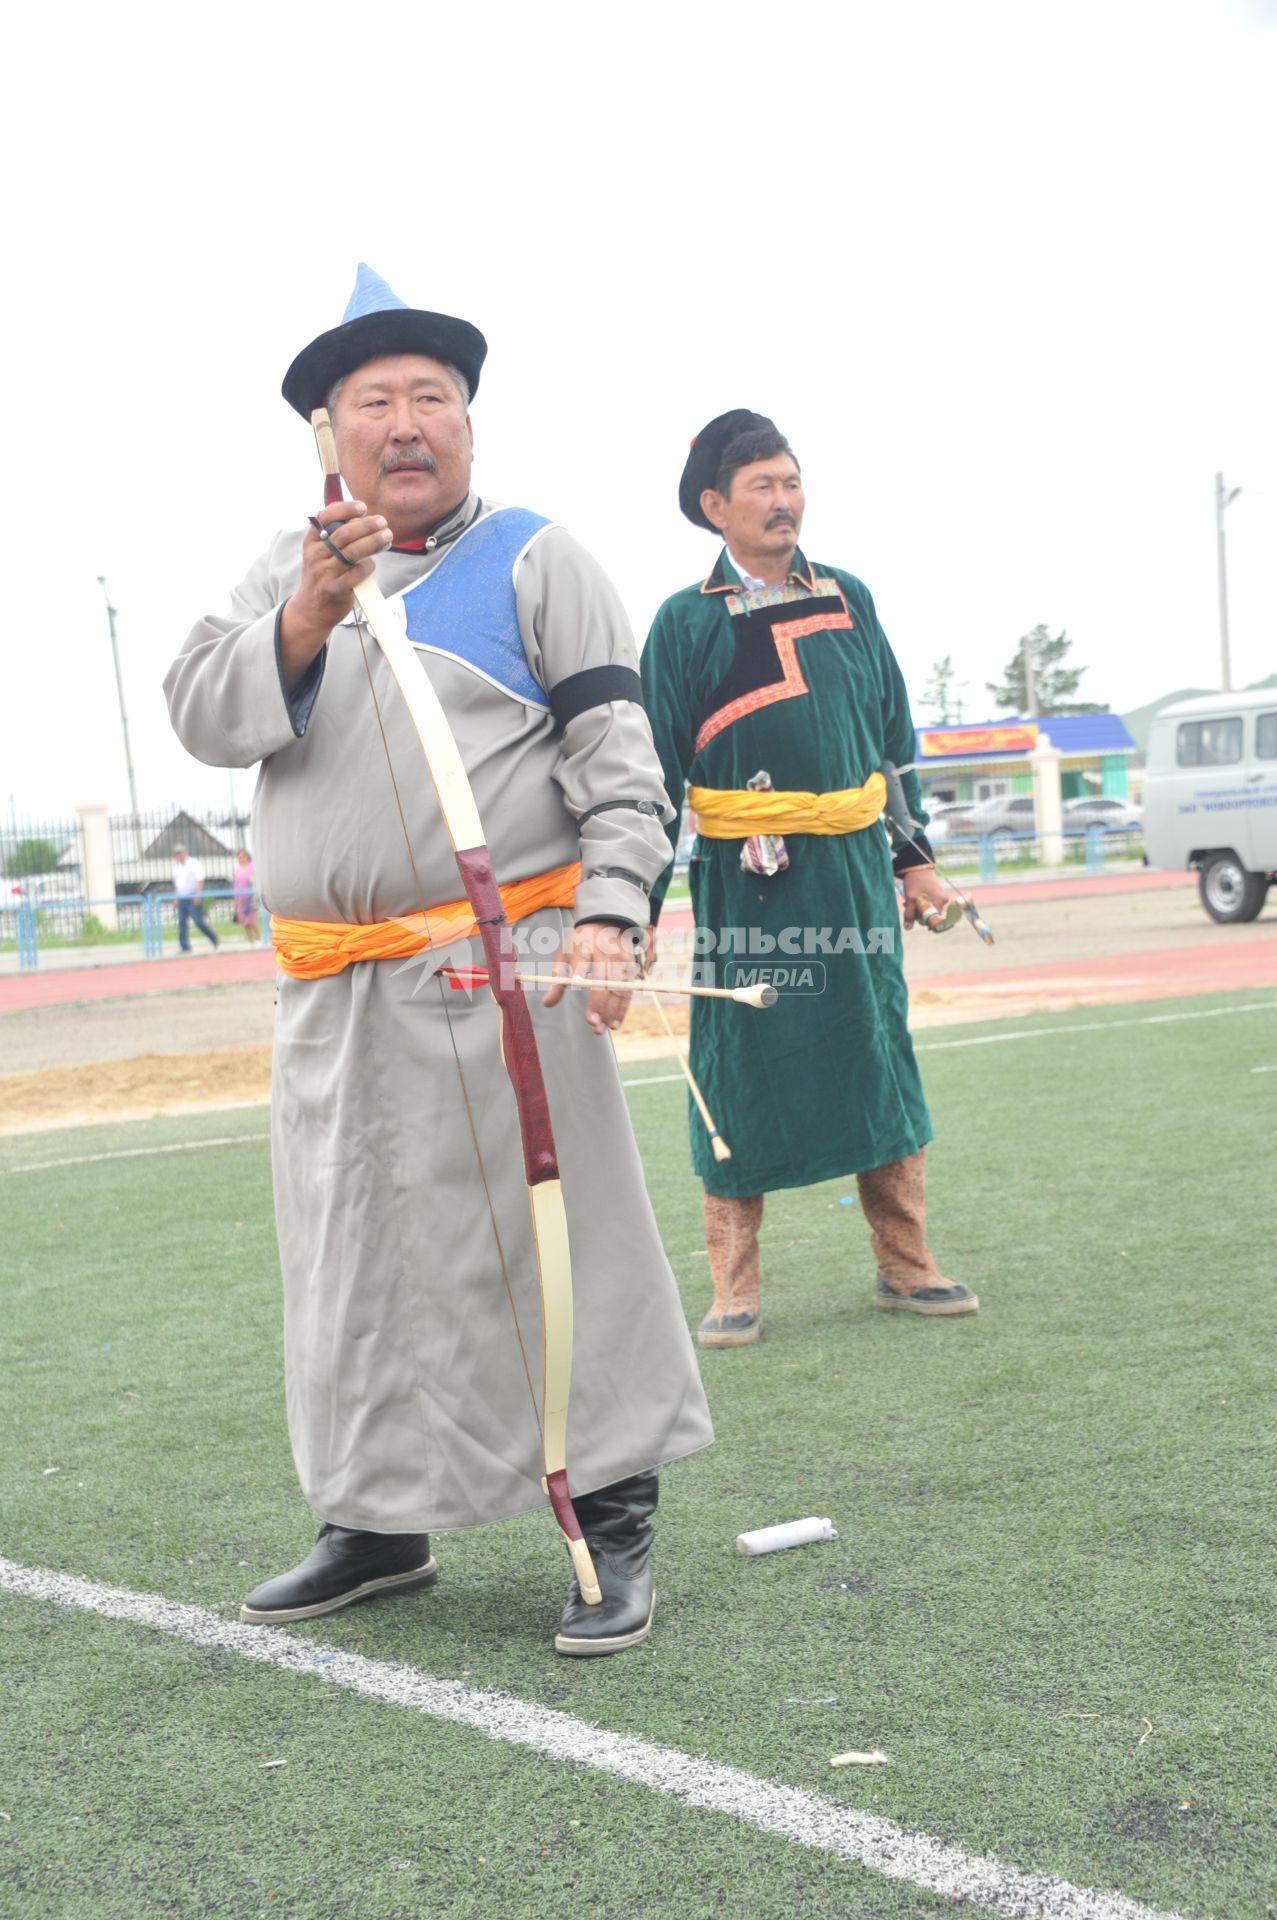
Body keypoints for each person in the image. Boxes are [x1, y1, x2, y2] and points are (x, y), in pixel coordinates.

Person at [164, 266, 712, 1655]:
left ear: (469, 420)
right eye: (375, 403)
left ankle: (612, 1515)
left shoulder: (536, 557)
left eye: (434, 398)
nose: (407, 423)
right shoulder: (280, 575)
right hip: (333, 992)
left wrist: (610, 905)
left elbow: (617, 754)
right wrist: (304, 611)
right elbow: (203, 715)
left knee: (557, 1240)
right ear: (326, 435)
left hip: (506, 969)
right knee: (354, 1255)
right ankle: (375, 1515)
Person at [639, 410, 978, 1347]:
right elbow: (651, 774)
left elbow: (889, 744)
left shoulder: (849, 597)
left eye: (790, 481)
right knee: (740, 1062)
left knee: (875, 1051)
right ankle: (731, 1287)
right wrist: (628, 905)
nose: (783, 501)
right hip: (748, 885)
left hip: (852, 873)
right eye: (761, 486)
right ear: (715, 506)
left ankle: (906, 1267)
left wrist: (916, 864)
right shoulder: (684, 623)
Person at [171, 844, 219, 953]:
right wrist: (175, 898)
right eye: (177, 854)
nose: (178, 855)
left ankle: (213, 938)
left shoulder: (194, 864)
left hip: (192, 896)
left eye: (180, 853)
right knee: (182, 923)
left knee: (198, 921)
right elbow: (177, 885)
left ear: (185, 853)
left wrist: (198, 895)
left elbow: (200, 880)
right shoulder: (178, 867)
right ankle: (184, 947)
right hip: (182, 898)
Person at [231, 848, 261, 944]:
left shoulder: (252, 867)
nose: (241, 858)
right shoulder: (236, 869)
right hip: (240, 897)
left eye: (243, 856)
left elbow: (255, 880)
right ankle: (250, 940)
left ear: (247, 856)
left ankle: (259, 939)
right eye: (239, 857)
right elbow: (235, 884)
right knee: (244, 921)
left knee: (252, 920)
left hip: (250, 897)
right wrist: (235, 898)